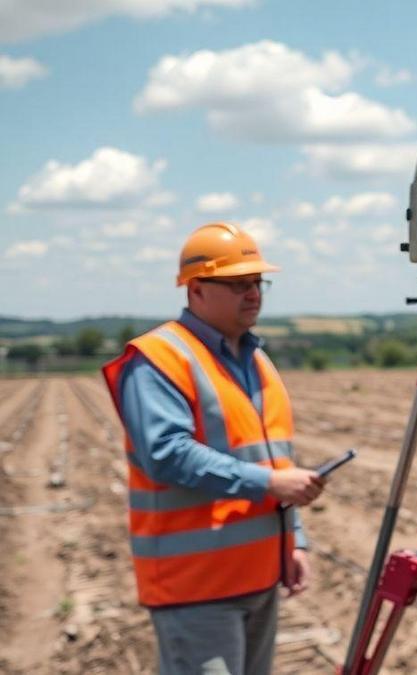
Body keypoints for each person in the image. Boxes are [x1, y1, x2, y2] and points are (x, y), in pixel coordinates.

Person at [102, 222, 326, 675]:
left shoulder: (256, 360)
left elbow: (272, 459)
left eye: (257, 282)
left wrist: (294, 540)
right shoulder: (159, 359)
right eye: (238, 284)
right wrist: (269, 483)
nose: (254, 293)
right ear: (197, 289)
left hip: (259, 577)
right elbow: (166, 454)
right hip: (196, 588)